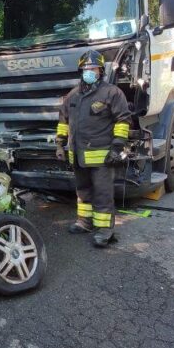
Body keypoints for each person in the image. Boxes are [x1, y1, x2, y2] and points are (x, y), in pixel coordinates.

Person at [56, 50, 132, 248]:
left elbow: (123, 121)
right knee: (82, 192)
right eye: (86, 68)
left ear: (101, 71)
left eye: (94, 68)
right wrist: (59, 144)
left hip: (102, 157)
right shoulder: (73, 95)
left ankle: (105, 230)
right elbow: (63, 121)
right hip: (78, 155)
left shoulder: (112, 93)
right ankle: (85, 222)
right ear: (81, 71)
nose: (90, 71)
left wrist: (117, 147)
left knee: (102, 193)